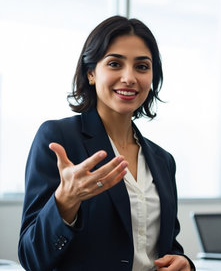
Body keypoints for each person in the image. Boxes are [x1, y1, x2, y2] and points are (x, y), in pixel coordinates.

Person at [18, 16, 195, 271]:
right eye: (114, 64)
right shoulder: (59, 139)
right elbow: (31, 257)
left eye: (142, 67)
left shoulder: (163, 160)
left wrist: (184, 263)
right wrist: (65, 202)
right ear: (91, 73)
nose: (129, 77)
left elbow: (165, 247)